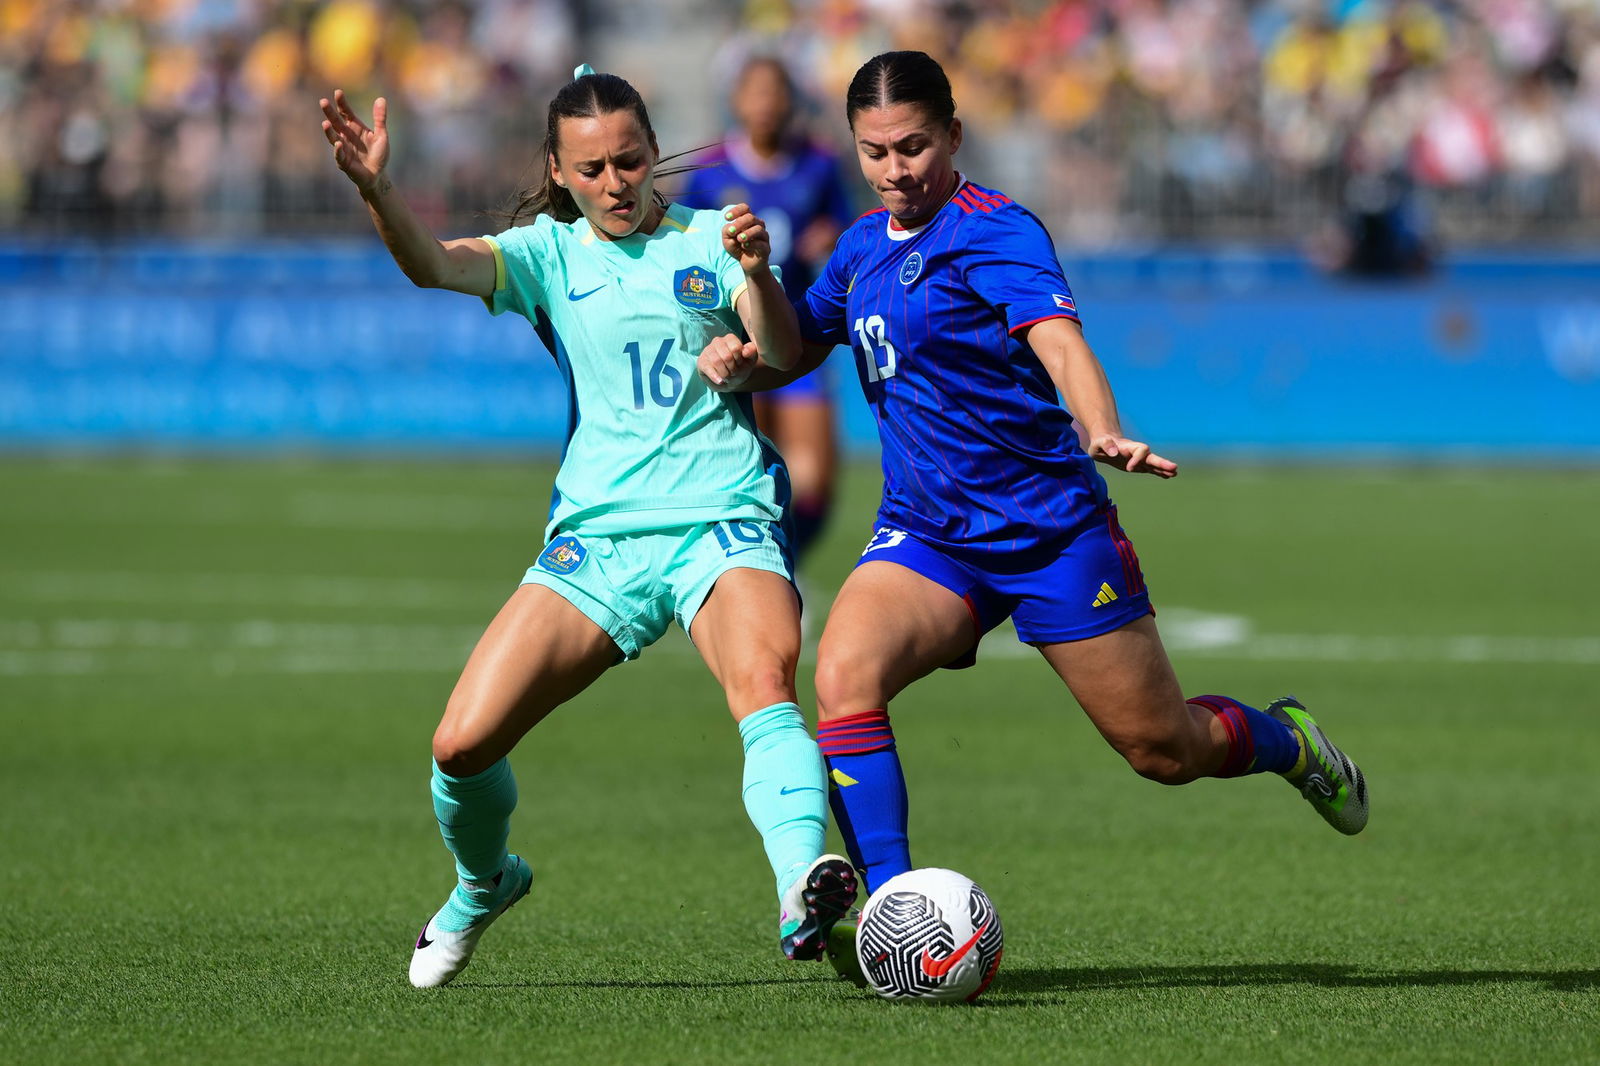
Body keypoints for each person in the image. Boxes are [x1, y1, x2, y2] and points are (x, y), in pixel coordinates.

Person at [697, 50, 1368, 976]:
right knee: (845, 673)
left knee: (1164, 750)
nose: (899, 169)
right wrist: (744, 335)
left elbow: (1058, 342)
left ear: (956, 135)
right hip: (929, 537)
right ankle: (891, 915)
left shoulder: (999, 232)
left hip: (1052, 535)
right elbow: (793, 348)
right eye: (877, 151)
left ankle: (1289, 743)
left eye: (916, 145)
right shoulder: (857, 247)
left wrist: (1104, 429)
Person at [318, 65, 857, 989]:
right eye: (594, 168)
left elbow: (777, 351)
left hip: (721, 520)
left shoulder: (711, 237)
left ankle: (799, 885)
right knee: (461, 745)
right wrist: (379, 191)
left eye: (631, 161)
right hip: (597, 545)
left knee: (763, 682)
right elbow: (434, 265)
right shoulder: (546, 257)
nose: (616, 183)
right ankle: (483, 884)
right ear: (561, 175)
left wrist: (761, 277)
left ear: (655, 154)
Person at [682, 56, 856, 562]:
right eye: (754, 92)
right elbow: (685, 239)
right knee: (748, 471)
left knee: (815, 481)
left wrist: (829, 237)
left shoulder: (819, 164)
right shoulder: (711, 170)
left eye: (775, 92)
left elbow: (846, 231)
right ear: (736, 101)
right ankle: (756, 573)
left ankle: (788, 565)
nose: (765, 104)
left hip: (799, 333)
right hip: (736, 342)